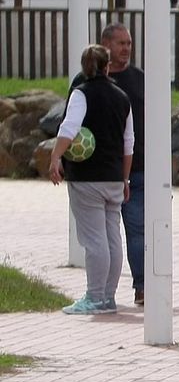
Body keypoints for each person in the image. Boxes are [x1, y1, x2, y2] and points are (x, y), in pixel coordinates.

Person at [49, 44, 134, 315]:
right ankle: (108, 297)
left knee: (95, 240)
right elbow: (128, 143)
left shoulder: (81, 93)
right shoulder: (122, 97)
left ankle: (94, 297)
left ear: (84, 67)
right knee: (112, 238)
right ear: (107, 66)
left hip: (87, 179)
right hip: (114, 177)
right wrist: (125, 179)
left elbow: (69, 128)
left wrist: (55, 157)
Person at [70, 23, 146, 305]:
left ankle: (138, 287)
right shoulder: (83, 83)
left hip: (134, 170)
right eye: (121, 43)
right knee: (105, 235)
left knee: (133, 231)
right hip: (102, 171)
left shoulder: (139, 80)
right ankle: (105, 296)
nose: (126, 48)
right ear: (105, 45)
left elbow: (137, 131)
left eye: (129, 43)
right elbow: (72, 127)